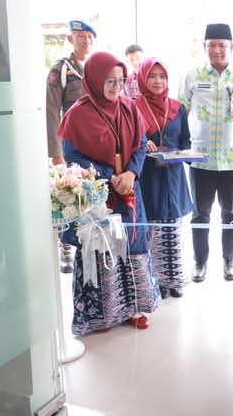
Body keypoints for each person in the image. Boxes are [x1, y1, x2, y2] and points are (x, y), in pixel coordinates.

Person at [57, 51, 161, 335]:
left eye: (120, 80)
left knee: (132, 246)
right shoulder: (77, 114)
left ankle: (134, 308)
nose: (116, 87)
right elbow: (73, 156)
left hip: (128, 191)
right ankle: (103, 315)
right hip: (97, 194)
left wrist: (131, 173)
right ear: (94, 79)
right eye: (109, 81)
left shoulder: (129, 107)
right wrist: (109, 176)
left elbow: (141, 144)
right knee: (101, 249)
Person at [178, 23, 233, 282]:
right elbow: (180, 114)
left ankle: (229, 260)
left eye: (222, 45)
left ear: (231, 47)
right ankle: (199, 262)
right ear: (204, 47)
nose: (217, 50)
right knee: (200, 214)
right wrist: (180, 148)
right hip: (200, 159)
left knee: (231, 214)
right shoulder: (192, 76)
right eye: (212, 45)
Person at [136, 57, 193, 298]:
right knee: (153, 229)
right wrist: (142, 142)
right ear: (142, 78)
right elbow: (129, 140)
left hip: (174, 174)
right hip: (149, 176)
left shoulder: (178, 108)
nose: (157, 81)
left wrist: (188, 155)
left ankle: (175, 279)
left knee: (173, 229)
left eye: (162, 76)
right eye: (152, 76)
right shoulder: (133, 107)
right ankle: (157, 282)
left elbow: (186, 141)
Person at [47, 20, 96, 165]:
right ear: (70, 39)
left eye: (90, 36)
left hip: (97, 141)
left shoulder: (98, 68)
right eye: (81, 36)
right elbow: (52, 112)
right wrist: (56, 154)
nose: (86, 40)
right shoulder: (61, 69)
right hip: (72, 143)